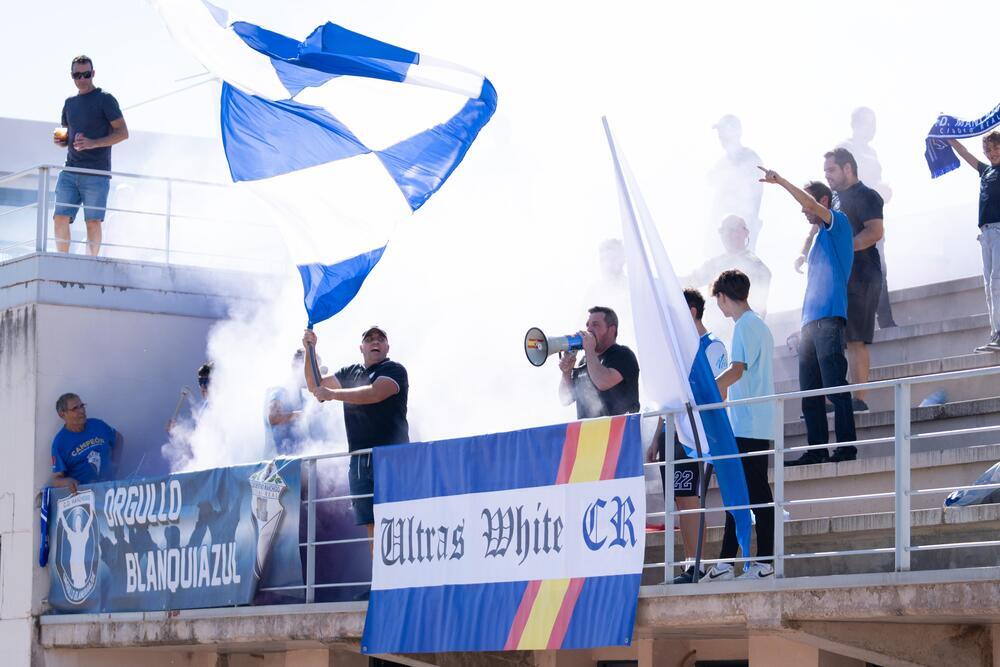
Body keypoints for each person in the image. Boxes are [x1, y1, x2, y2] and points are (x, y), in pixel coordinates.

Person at [759, 167, 858, 465]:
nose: (804, 211)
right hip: (810, 325)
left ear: (824, 201)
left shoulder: (838, 223)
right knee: (810, 393)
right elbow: (812, 224)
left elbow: (814, 208)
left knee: (834, 387)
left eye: (808, 205)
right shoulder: (819, 240)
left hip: (829, 321)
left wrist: (782, 182)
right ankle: (817, 450)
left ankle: (846, 448)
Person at [646, 289, 728, 584]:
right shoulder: (676, 353)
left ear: (691, 312)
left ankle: (696, 567)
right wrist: (656, 437)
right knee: (681, 502)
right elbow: (666, 399)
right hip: (672, 435)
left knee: (690, 500)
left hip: (696, 438)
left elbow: (720, 393)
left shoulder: (712, 346)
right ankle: (689, 566)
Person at [302, 326, 409, 545]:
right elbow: (315, 385)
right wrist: (309, 349)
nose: (375, 342)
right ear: (361, 347)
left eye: (380, 339)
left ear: (388, 346)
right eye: (369, 339)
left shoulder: (395, 370)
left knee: (398, 518)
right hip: (360, 460)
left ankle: (402, 577)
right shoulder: (350, 372)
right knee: (372, 525)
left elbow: (375, 393)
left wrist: (332, 395)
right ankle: (380, 579)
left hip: (392, 457)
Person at [704, 270, 775, 580]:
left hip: (749, 423)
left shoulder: (745, 326)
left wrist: (710, 388)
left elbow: (737, 370)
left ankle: (765, 562)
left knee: (755, 494)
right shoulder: (758, 324)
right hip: (753, 422)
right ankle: (725, 563)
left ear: (723, 297)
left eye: (717, 299)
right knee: (740, 493)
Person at [822, 147, 883, 414]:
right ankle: (831, 400)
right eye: (825, 171)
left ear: (848, 168)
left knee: (856, 339)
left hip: (863, 277)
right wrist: (803, 253)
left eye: (831, 170)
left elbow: (875, 232)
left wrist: (844, 249)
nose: (827, 176)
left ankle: (859, 399)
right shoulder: (833, 199)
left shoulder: (867, 195)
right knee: (830, 340)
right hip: (837, 279)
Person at [52, 56, 129, 257]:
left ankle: (90, 262)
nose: (82, 79)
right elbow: (63, 133)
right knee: (60, 217)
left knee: (93, 222)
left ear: (93, 74)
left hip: (97, 174)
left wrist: (92, 143)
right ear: (72, 76)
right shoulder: (69, 103)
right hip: (70, 170)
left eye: (86, 74)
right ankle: (62, 260)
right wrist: (60, 139)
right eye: (77, 75)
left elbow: (123, 133)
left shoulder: (105, 99)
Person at [839, 107, 897, 328]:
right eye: (868, 123)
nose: (872, 128)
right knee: (854, 269)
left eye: (874, 124)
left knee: (879, 266)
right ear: (855, 124)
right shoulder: (846, 147)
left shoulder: (871, 152)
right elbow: (845, 183)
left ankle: (885, 318)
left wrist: (882, 191)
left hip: (873, 217)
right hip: (853, 220)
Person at [947, 133, 1000, 351]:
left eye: (996, 149)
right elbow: (965, 153)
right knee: (988, 286)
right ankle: (995, 333)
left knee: (997, 282)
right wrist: (950, 139)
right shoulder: (985, 170)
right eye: (988, 150)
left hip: (999, 229)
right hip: (985, 233)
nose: (992, 153)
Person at [558, 306, 639, 419]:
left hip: (621, 433)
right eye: (588, 325)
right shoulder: (585, 361)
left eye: (595, 325)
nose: (589, 330)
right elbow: (565, 398)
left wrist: (589, 350)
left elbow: (603, 382)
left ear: (611, 330)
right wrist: (566, 373)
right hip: (588, 433)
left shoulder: (623, 355)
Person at [685, 215, 772, 317]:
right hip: (715, 328)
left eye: (732, 229)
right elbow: (691, 280)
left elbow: (759, 306)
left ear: (745, 233)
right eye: (723, 230)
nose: (727, 234)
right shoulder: (714, 264)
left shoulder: (757, 268)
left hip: (741, 327)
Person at [708, 115, 764, 253]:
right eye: (719, 133)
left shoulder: (750, 158)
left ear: (735, 132)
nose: (720, 137)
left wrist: (749, 228)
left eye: (723, 132)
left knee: (742, 268)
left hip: (742, 230)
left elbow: (754, 197)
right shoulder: (721, 163)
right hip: (724, 231)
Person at [50, 393, 123, 493]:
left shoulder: (98, 425)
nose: (81, 411)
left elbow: (118, 439)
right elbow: (56, 480)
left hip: (111, 489)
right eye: (75, 408)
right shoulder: (60, 443)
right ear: (62, 414)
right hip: (86, 496)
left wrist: (115, 463)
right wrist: (68, 482)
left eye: (82, 406)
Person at [265, 350, 309, 456]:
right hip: (277, 465)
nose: (314, 375)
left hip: (295, 461)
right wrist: (300, 415)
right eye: (310, 369)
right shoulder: (281, 389)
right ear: (296, 367)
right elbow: (273, 418)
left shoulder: (302, 397)